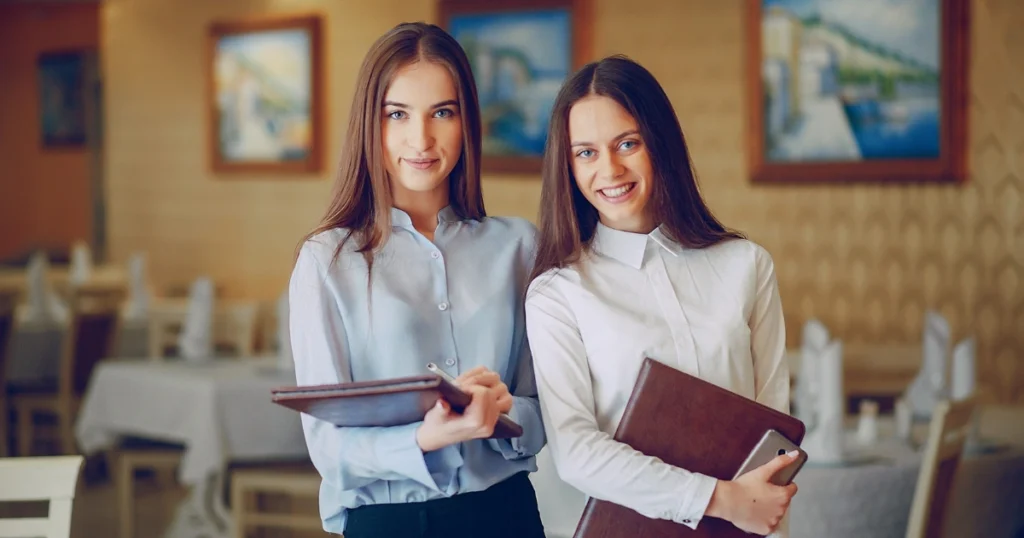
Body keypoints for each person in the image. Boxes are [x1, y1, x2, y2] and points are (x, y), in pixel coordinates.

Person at [288, 22, 545, 538]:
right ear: (371, 124)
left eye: (442, 113)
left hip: (506, 515)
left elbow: (546, 413)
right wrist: (422, 440)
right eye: (397, 114)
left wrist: (504, 410)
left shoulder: (519, 247)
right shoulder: (327, 261)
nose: (421, 139)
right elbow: (328, 449)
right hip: (390, 522)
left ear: (466, 122)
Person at [525, 55, 799, 537]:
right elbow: (576, 452)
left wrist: (752, 513)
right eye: (585, 153)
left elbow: (773, 436)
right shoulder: (557, 294)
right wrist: (719, 499)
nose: (609, 169)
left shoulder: (746, 265)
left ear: (660, 143)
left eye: (627, 143)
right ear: (566, 165)